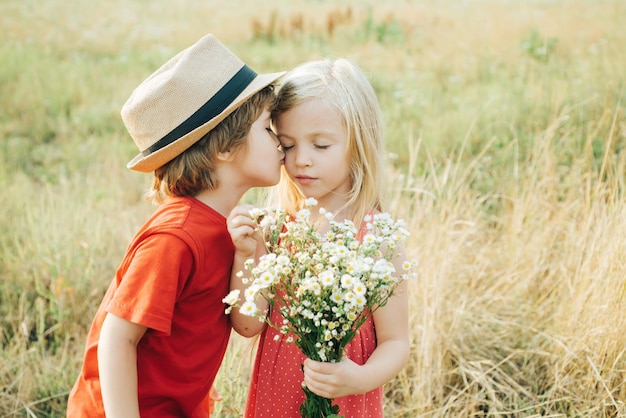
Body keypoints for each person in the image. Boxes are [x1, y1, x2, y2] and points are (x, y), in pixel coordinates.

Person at [66, 33, 285, 418]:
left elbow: (248, 325)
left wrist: (248, 256)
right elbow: (117, 337)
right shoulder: (176, 237)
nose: (281, 141)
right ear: (225, 147)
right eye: (268, 128)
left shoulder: (232, 228)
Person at [227, 58, 410, 417]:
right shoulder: (277, 229)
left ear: (359, 143)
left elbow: (396, 342)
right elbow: (247, 325)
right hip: (275, 401)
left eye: (321, 146)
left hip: (345, 399)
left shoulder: (375, 237)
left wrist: (357, 378)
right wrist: (246, 254)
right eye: (288, 145)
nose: (301, 161)